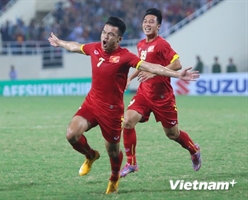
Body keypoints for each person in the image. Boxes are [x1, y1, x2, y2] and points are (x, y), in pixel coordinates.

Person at [48, 16, 199, 194]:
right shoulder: (95, 48)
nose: (105, 36)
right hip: (91, 103)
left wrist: (177, 75)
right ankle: (91, 155)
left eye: (110, 34)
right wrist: (60, 43)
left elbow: (151, 67)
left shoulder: (125, 56)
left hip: (112, 112)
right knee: (71, 134)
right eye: (104, 32)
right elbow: (75, 46)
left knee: (113, 152)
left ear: (118, 39)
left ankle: (114, 177)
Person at [120, 8, 202, 178]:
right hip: (144, 94)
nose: (147, 24)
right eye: (145, 21)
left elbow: (177, 64)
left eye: (151, 22)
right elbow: (141, 63)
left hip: (163, 98)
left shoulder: (162, 44)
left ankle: (194, 150)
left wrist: (155, 72)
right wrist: (130, 77)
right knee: (127, 121)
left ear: (158, 26)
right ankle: (131, 163)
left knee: (172, 134)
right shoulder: (141, 44)